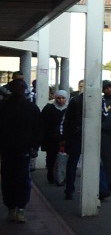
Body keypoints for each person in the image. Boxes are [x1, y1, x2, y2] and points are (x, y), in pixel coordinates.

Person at [0, 78, 43, 222]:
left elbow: (38, 130)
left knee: (20, 178)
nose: (19, 90)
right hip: (8, 149)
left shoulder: (30, 109)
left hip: (21, 149)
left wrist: (35, 147)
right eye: (17, 87)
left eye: (21, 88)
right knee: (9, 178)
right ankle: (13, 208)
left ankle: (20, 208)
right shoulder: (4, 107)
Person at [40, 89, 69, 185]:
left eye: (63, 98)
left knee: (64, 159)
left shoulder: (69, 109)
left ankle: (61, 177)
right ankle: (51, 175)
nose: (61, 100)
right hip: (51, 139)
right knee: (51, 159)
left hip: (65, 139)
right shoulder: (48, 109)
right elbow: (43, 124)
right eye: (58, 98)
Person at [61, 90, 84, 200]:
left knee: (72, 164)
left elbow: (67, 120)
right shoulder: (99, 100)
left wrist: (66, 138)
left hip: (75, 136)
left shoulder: (75, 100)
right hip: (80, 136)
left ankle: (69, 190)